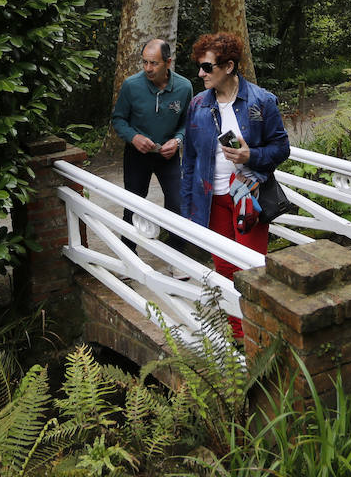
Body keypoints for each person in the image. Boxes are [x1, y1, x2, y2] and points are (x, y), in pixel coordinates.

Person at [180, 31, 290, 337]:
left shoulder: (262, 101)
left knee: (252, 270)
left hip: (247, 197)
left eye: (207, 67)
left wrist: (249, 155)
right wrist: (187, 206)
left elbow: (282, 149)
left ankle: (259, 335)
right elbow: (188, 160)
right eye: (200, 67)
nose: (200, 73)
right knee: (225, 268)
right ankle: (239, 337)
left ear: (228, 67)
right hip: (211, 199)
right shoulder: (198, 105)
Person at [110, 39, 192, 236]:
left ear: (168, 62)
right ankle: (129, 255)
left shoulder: (184, 87)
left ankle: (176, 256)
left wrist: (178, 140)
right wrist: (133, 137)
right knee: (133, 207)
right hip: (137, 155)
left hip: (168, 156)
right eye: (145, 62)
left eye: (154, 63)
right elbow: (118, 119)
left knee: (177, 205)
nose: (148, 68)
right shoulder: (131, 85)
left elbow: (188, 123)